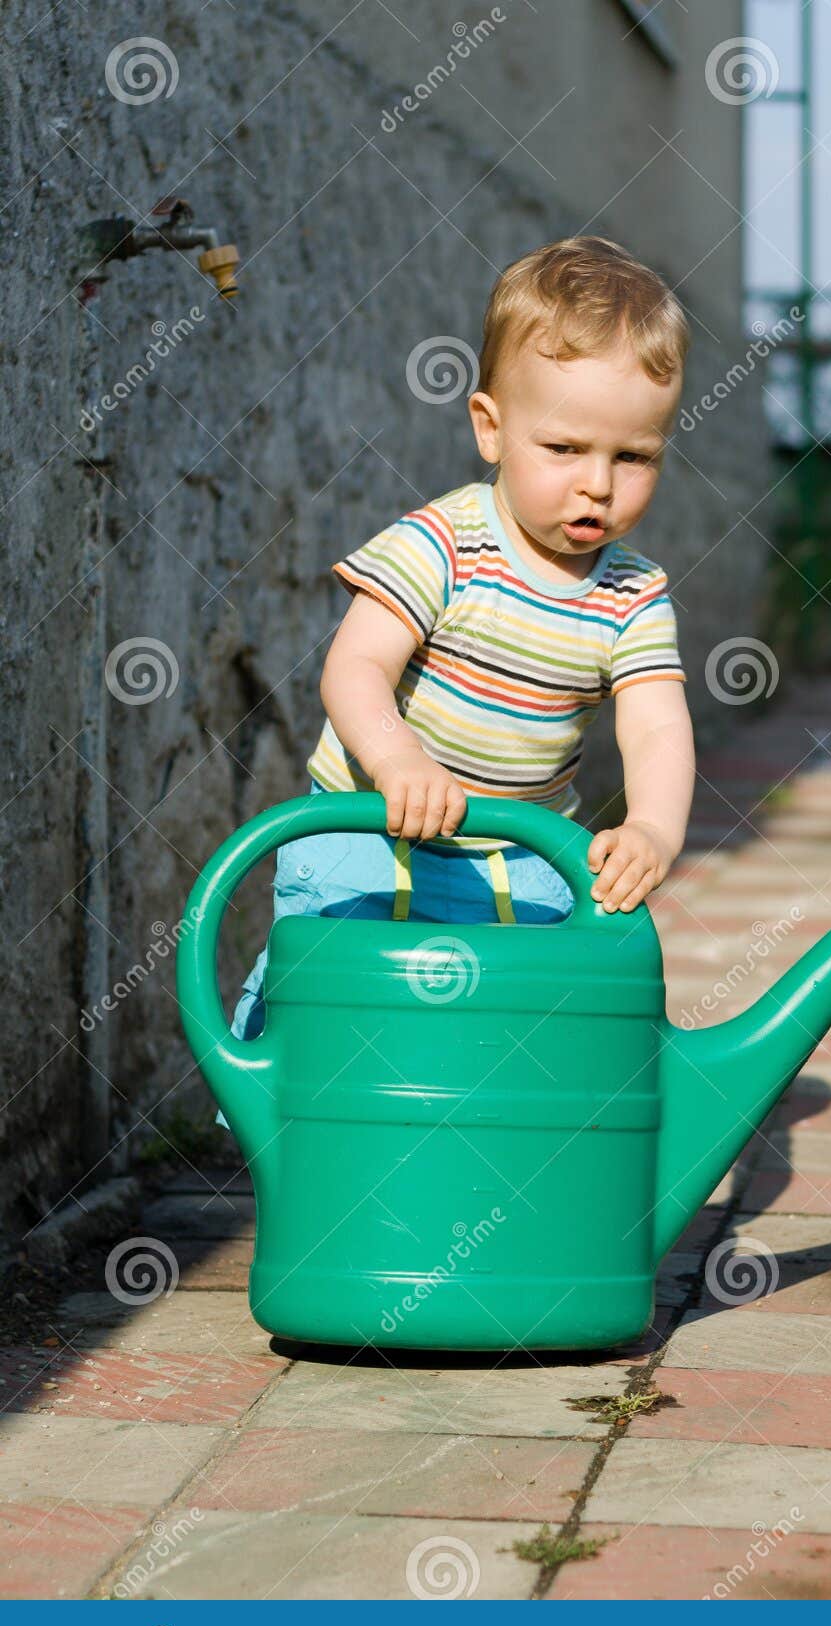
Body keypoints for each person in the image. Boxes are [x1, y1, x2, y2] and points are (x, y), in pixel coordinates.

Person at [219, 234, 696, 1104]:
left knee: (516, 1042)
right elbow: (355, 668)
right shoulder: (446, 541)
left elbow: (658, 724)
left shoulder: (633, 594)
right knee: (335, 1014)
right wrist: (398, 761)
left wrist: (656, 830)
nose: (598, 484)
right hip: (372, 831)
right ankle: (319, 1138)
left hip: (522, 857)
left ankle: (478, 1172)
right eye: (565, 449)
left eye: (634, 458)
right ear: (490, 427)